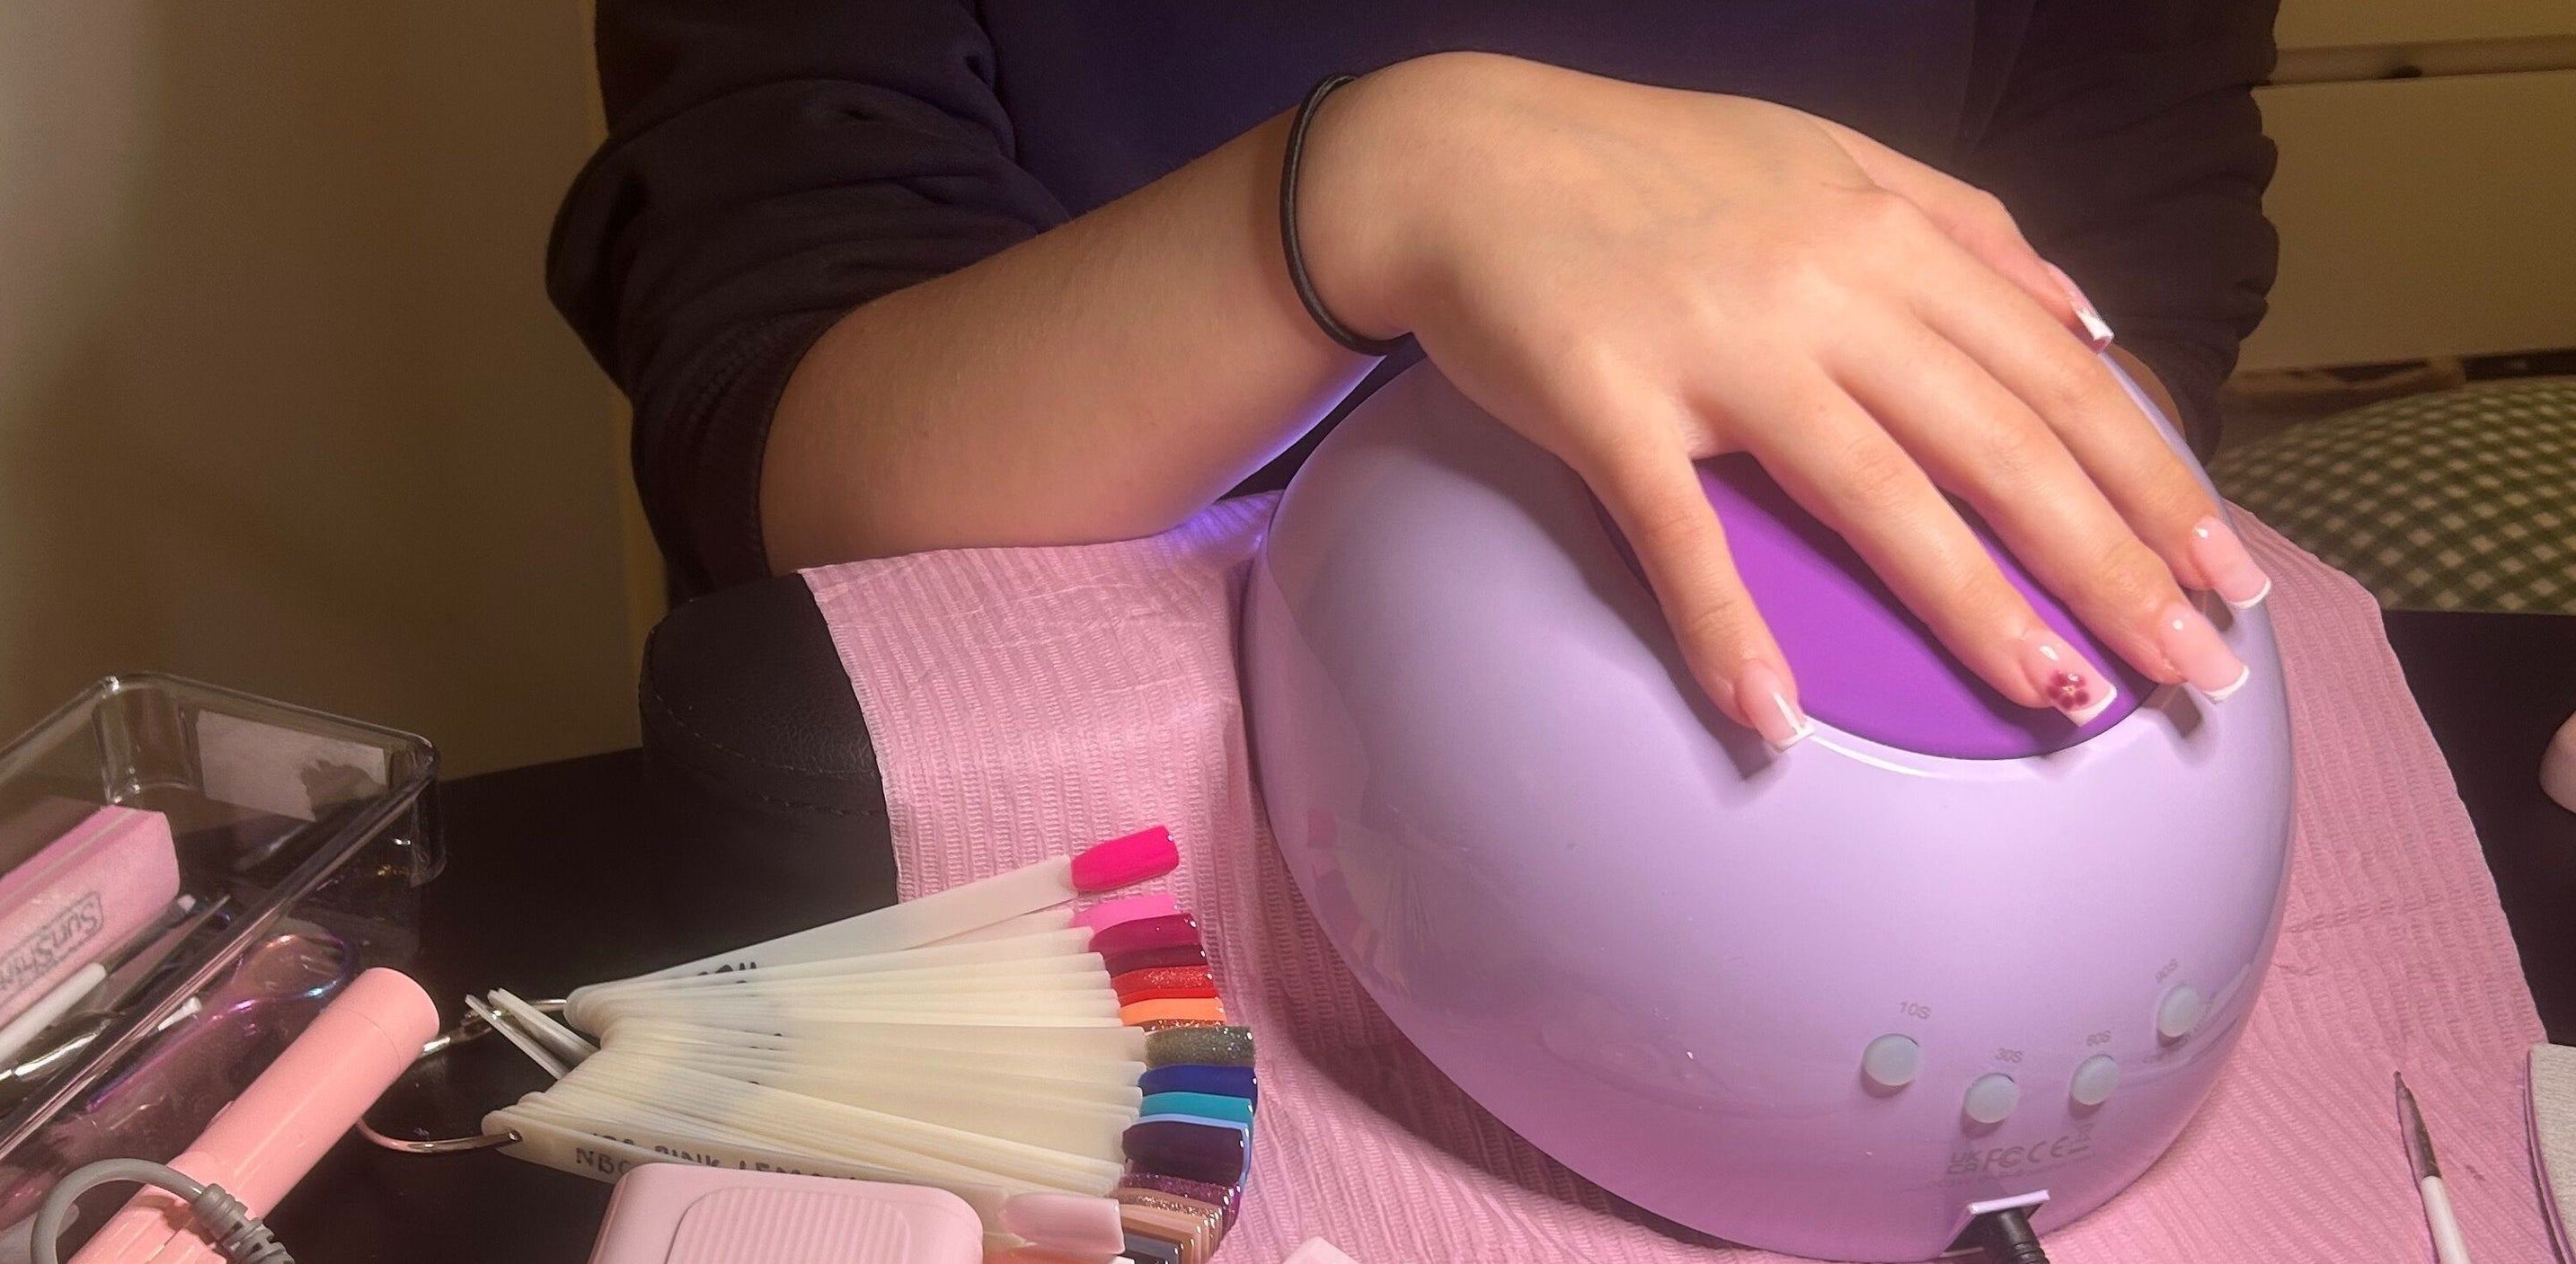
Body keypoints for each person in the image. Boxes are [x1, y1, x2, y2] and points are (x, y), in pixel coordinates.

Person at [551, 6, 2282, 748]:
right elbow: (786, 431)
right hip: (1092, 886)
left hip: (1844, 794)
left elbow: (2138, 242)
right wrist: (1382, 184)